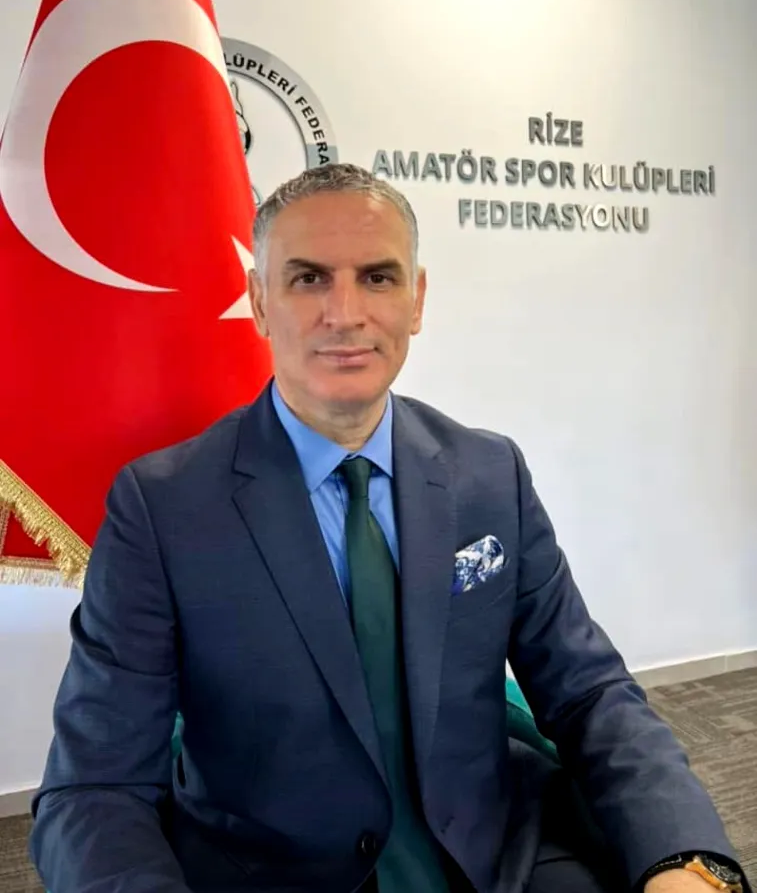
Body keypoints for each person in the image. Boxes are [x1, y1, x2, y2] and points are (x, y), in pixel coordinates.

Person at [30, 163, 747, 893]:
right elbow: (96, 785)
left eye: (377, 277)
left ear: (416, 300)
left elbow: (587, 690)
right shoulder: (162, 507)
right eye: (308, 278)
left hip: (494, 855)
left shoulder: (489, 473)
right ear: (259, 302)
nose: (345, 313)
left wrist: (685, 858)